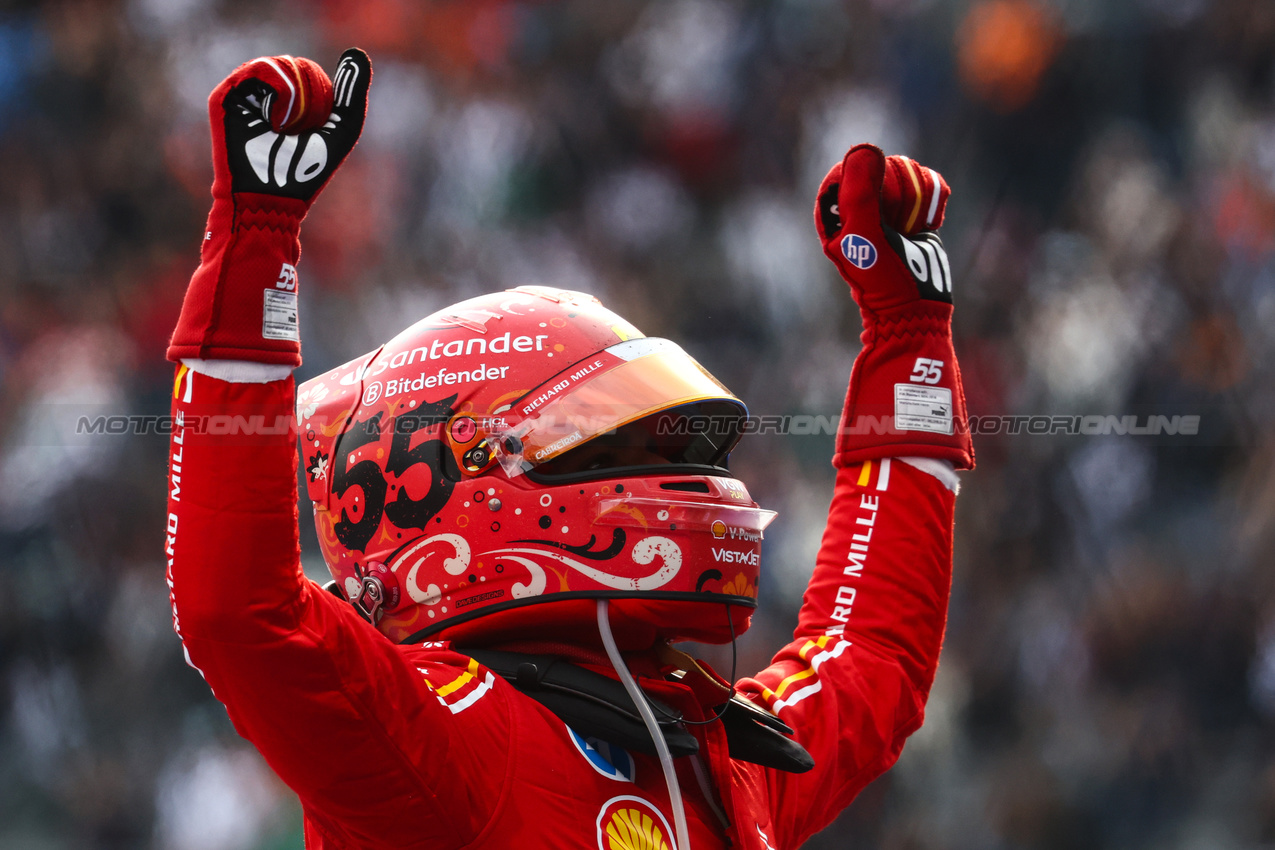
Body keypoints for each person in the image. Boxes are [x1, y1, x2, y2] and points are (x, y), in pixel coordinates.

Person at [164, 49, 973, 850]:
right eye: (614, 445)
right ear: (459, 481)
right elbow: (237, 611)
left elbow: (871, 654)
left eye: (677, 444)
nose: (689, 479)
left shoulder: (713, 748)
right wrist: (255, 245)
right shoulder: (439, 737)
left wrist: (909, 341)